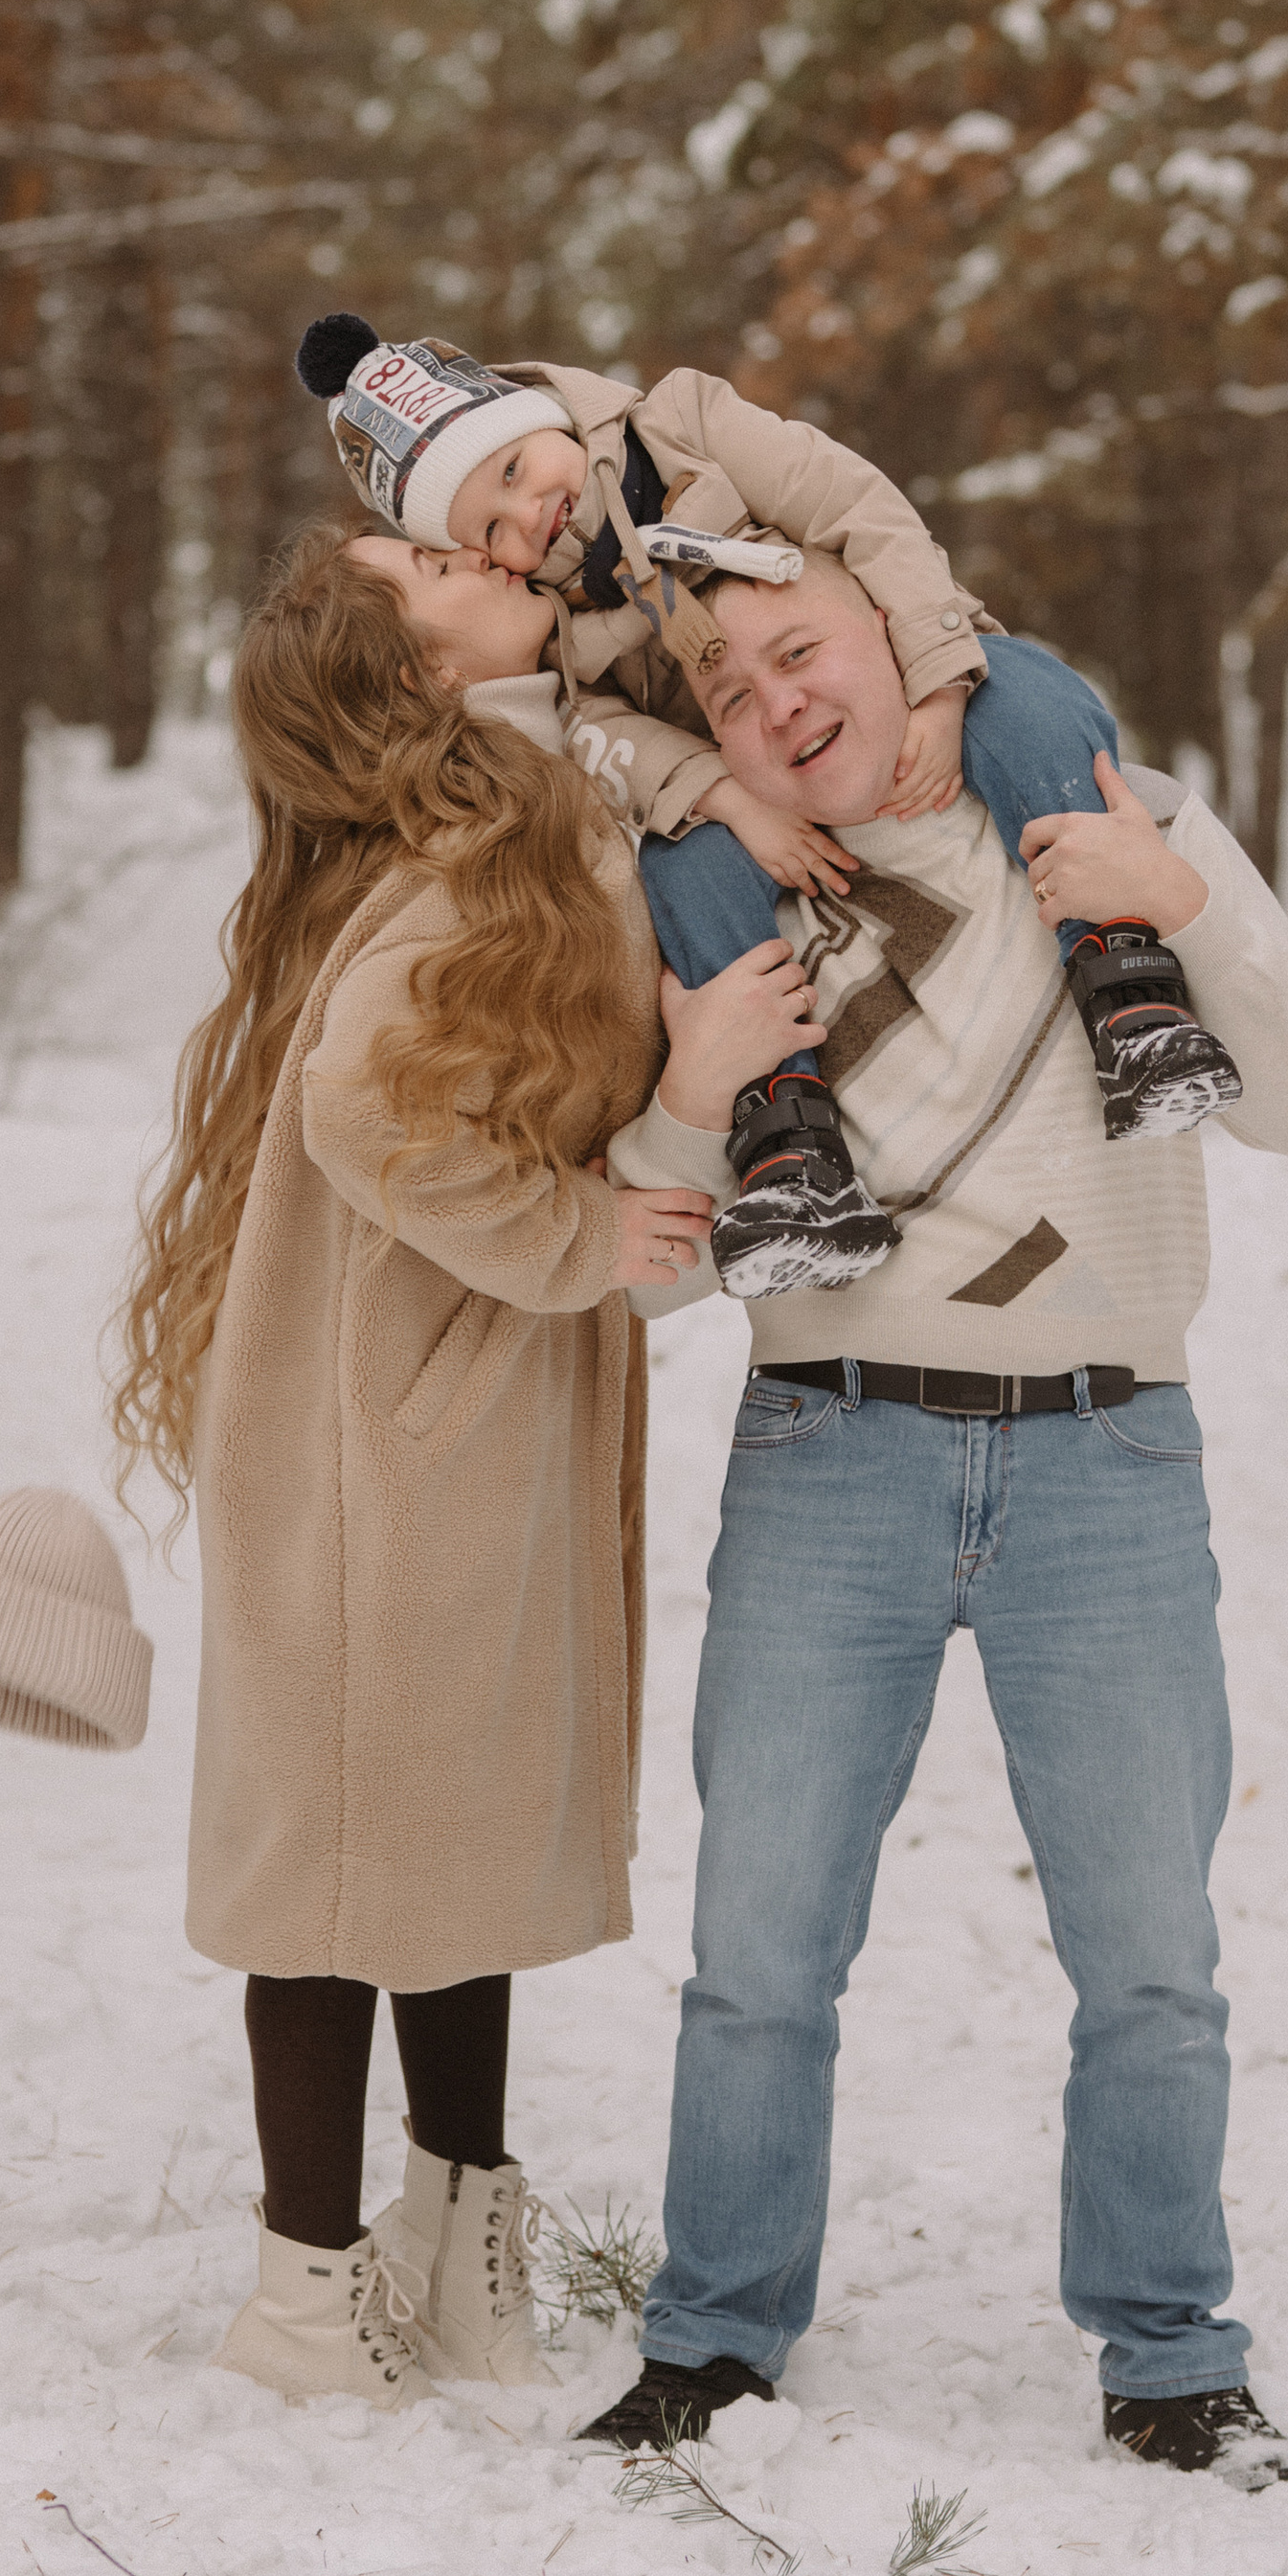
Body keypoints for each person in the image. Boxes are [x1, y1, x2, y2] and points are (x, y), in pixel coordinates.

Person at [580, 553, 1288, 2488]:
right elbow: (648, 1277)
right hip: (822, 1453)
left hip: (1101, 1458)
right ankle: (711, 2340)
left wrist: (1177, 908)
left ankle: (1169, 2352)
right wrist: (688, 1096)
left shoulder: (1107, 804)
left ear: (893, 642)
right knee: (757, 1948)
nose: (774, 696)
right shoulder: (709, 892)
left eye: (799, 648)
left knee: (1146, 1957)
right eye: (728, 680)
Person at [109, 520, 802, 2410]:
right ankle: (306, 2291)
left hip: (445, 1402)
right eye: (426, 555)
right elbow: (360, 1103)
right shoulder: (482, 836)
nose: (470, 545)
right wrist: (625, 1179)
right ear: (420, 669)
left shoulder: (530, 787)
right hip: (378, 1418)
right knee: (342, 1853)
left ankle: (459, 2233)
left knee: (445, 1833)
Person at [291, 316, 1245, 1308]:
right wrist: (721, 795)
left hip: (880, 674)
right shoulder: (552, 614)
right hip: (747, 767)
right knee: (685, 869)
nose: (529, 518)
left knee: (1031, 698)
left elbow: (854, 506)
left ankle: (1125, 978)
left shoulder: (683, 425)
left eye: (519, 470)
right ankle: (786, 1138)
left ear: (545, 413)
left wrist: (936, 678)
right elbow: (598, 730)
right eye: (487, 531)